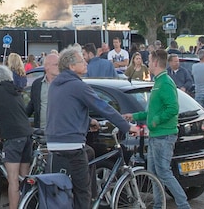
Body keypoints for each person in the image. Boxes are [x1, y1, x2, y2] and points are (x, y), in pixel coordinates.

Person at [48, 45, 130, 209]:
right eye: (82, 61)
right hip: (71, 144)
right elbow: (103, 106)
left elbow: (66, 112)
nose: (86, 63)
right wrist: (127, 126)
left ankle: (93, 195)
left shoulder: (55, 85)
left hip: (53, 142)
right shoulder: (78, 86)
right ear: (72, 66)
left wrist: (89, 121)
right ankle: (88, 199)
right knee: (82, 192)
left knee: (90, 152)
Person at [123, 49, 192, 209]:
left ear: (155, 62)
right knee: (154, 174)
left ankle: (183, 205)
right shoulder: (158, 82)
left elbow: (173, 108)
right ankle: (158, 205)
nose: (147, 63)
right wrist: (134, 116)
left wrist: (155, 121)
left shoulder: (165, 83)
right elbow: (152, 111)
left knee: (163, 172)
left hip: (164, 135)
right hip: (157, 135)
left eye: (149, 60)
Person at [0, 65, 34, 209]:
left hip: (12, 136)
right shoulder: (15, 90)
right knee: (24, 177)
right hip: (26, 134)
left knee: (12, 179)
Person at [27, 51, 59, 130]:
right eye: (56, 64)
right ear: (47, 67)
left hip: (60, 132)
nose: (59, 67)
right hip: (41, 131)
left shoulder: (65, 84)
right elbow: (32, 105)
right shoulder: (37, 84)